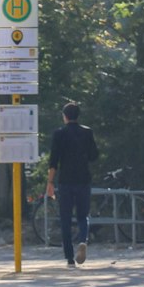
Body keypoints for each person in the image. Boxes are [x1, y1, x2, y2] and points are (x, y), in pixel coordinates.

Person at [47, 102, 100, 267]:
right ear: (78, 116)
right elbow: (94, 156)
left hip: (66, 181)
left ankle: (70, 258)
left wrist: (50, 182)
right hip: (83, 179)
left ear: (65, 116)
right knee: (83, 215)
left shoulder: (59, 134)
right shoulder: (87, 132)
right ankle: (83, 240)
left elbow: (53, 161)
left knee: (65, 219)